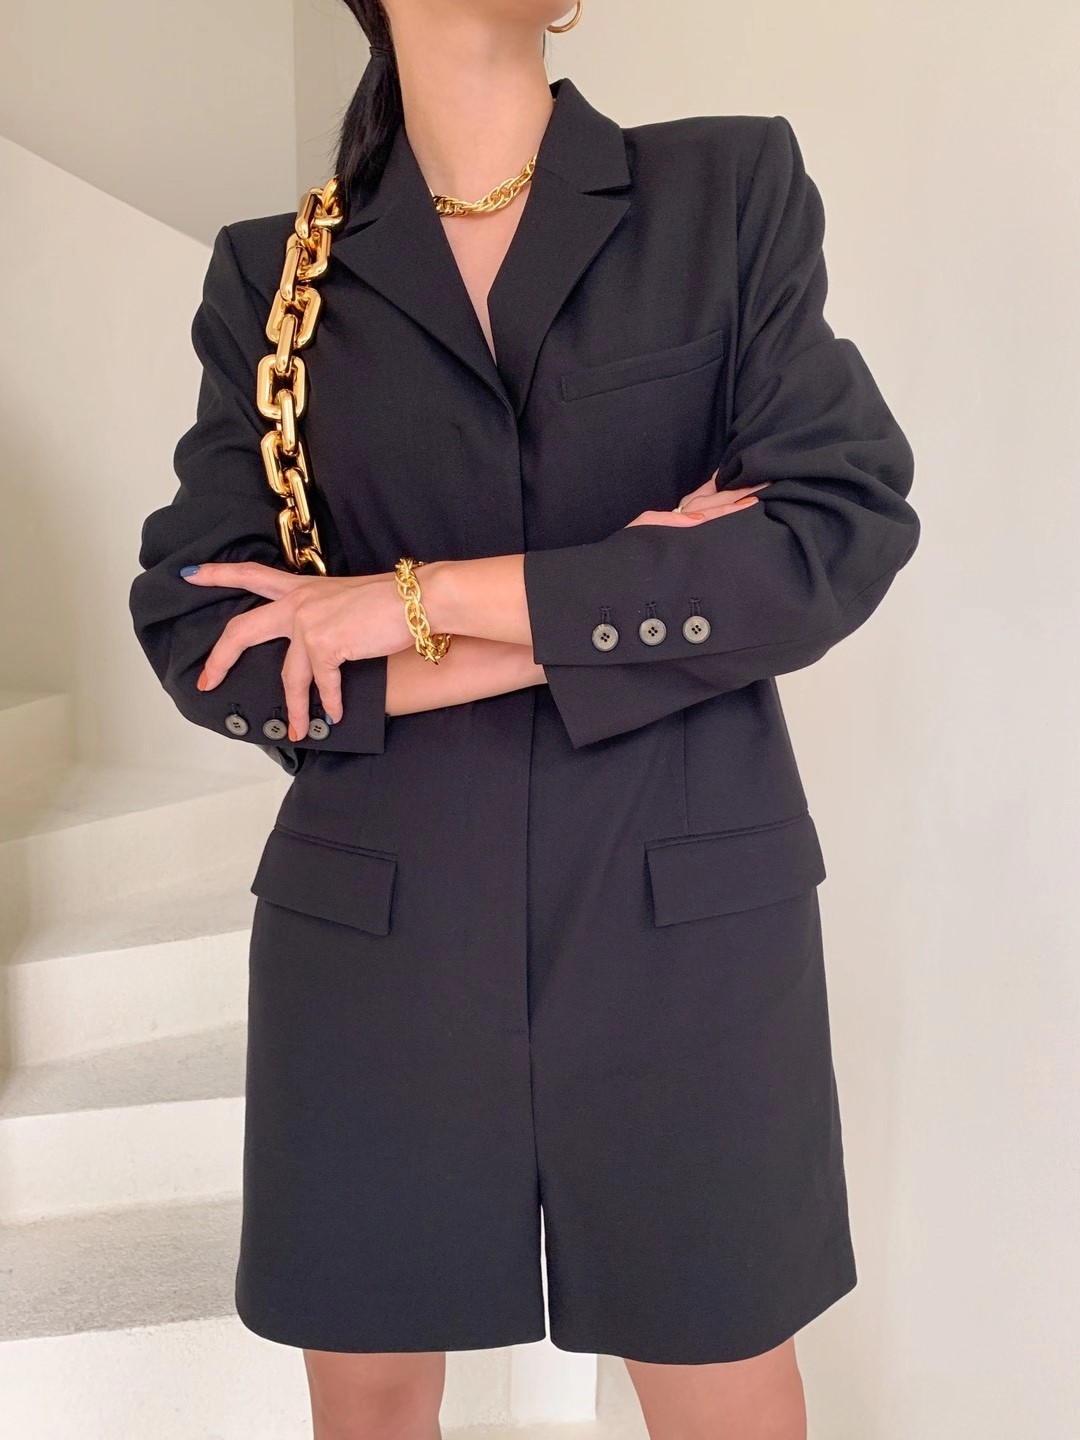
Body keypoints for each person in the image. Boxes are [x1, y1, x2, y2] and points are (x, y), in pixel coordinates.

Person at [128, 2, 919, 1435]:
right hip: (378, 926)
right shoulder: (273, 277)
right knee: (370, 1399)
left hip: (685, 919)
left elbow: (828, 534)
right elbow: (208, 633)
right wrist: (609, 592)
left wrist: (402, 603)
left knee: (723, 1383)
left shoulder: (722, 192)